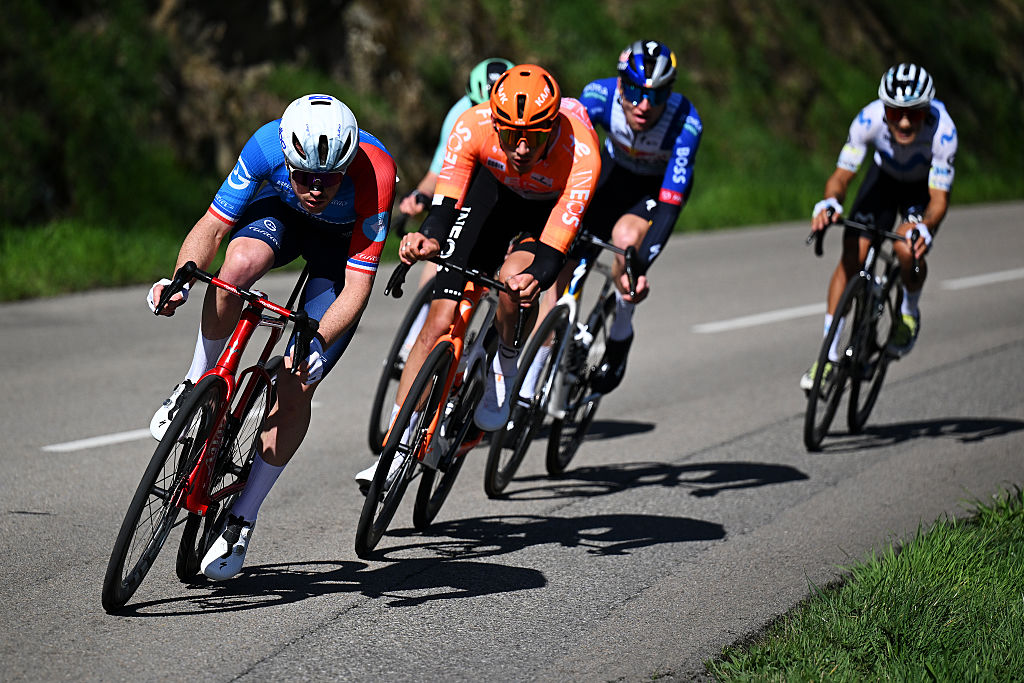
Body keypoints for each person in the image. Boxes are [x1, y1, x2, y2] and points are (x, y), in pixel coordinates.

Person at [147, 93, 396, 579]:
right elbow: (213, 227)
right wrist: (180, 278)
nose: (317, 188)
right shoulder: (266, 142)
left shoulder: (376, 172)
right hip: (279, 217)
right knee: (233, 270)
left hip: (339, 250)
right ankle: (196, 381)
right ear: (287, 157)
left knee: (296, 380)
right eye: (304, 175)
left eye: (329, 178)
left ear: (348, 164)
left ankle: (242, 517)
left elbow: (358, 285)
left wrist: (317, 338)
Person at [355, 64, 601, 488]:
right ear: (494, 120)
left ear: (553, 126)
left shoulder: (581, 153)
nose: (521, 147)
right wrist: (429, 237)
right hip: (495, 197)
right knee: (437, 321)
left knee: (513, 281)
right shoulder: (473, 126)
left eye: (534, 136)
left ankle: (505, 360)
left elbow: (555, 245)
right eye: (510, 135)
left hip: (546, 214)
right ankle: (394, 454)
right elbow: (448, 198)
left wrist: (536, 278)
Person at [801, 63, 957, 390]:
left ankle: (908, 312)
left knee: (905, 246)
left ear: (926, 109)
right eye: (895, 112)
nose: (903, 121)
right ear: (883, 107)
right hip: (883, 180)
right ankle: (828, 357)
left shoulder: (943, 131)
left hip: (920, 190)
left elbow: (939, 199)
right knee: (852, 253)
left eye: (913, 114)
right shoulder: (869, 119)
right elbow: (842, 175)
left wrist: (925, 226)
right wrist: (831, 202)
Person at [574, 39, 703, 394]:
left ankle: (619, 338)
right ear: (620, 85)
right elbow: (569, 156)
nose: (644, 105)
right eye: (634, 91)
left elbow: (670, 203)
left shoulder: (684, 123)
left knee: (626, 246)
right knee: (568, 252)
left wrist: (639, 266)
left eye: (657, 96)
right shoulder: (597, 96)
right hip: (612, 173)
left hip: (651, 191)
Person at [392, 58, 514, 358]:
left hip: (506, 187)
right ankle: (419, 331)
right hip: (466, 181)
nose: (485, 118)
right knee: (440, 245)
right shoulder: (460, 115)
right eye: (478, 107)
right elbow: (441, 170)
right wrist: (420, 195)